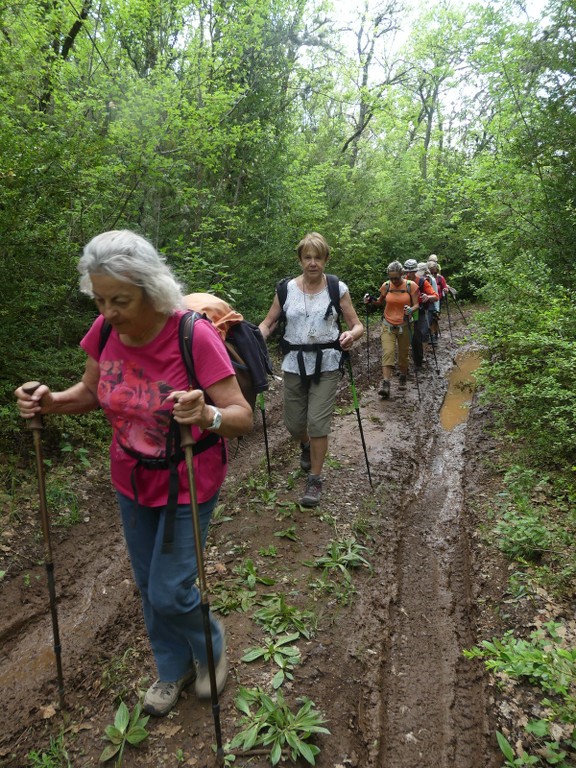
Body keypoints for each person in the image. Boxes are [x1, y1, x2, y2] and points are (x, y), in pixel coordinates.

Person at [14, 230, 253, 717]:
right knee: (149, 586)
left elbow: (241, 415)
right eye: (99, 299)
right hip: (130, 476)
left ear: (152, 289)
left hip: (188, 477)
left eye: (119, 300)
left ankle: (208, 645)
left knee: (170, 589)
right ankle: (172, 668)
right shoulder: (103, 333)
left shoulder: (192, 334)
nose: (108, 312)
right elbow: (87, 392)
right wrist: (49, 401)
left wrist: (205, 412)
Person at [259, 232, 363, 508]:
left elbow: (357, 324)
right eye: (308, 257)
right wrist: (255, 338)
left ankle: (315, 479)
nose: (313, 262)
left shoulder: (336, 288)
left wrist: (351, 336)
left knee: (318, 423)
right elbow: (268, 323)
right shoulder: (285, 289)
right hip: (293, 363)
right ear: (300, 259)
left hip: (327, 362)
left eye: (318, 257)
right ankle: (304, 444)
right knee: (294, 424)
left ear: (326, 259)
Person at [363, 261, 419, 398]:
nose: (394, 280)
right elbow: (379, 302)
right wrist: (370, 300)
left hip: (405, 324)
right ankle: (386, 384)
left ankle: (403, 376)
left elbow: (417, 304)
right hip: (387, 323)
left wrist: (411, 309)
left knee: (403, 354)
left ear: (402, 274)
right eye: (391, 277)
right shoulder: (386, 286)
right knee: (388, 352)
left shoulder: (411, 286)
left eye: (396, 277)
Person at [402, 259, 438, 367]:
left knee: (418, 335)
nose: (408, 274)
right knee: (406, 335)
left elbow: (435, 296)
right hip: (405, 311)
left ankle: (418, 359)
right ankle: (408, 359)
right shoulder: (402, 282)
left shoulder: (422, 282)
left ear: (415, 271)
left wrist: (428, 297)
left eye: (411, 271)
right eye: (406, 271)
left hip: (420, 311)